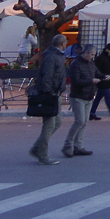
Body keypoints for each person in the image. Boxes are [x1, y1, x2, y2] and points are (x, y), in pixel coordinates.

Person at [29, 34, 68, 165]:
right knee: (50, 124)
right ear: (62, 43)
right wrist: (49, 93)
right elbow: (47, 76)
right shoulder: (52, 57)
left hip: (55, 93)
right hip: (51, 94)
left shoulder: (56, 56)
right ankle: (43, 154)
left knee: (57, 122)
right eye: (66, 42)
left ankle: (37, 148)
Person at [63, 44, 101, 158]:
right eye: (92, 55)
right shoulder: (76, 64)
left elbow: (96, 72)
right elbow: (76, 81)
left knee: (84, 122)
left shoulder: (91, 63)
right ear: (85, 53)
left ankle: (78, 146)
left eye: (94, 55)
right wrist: (91, 81)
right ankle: (67, 145)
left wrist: (104, 77)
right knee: (79, 121)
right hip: (78, 96)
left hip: (89, 95)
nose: (93, 57)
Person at [90, 43, 110, 121]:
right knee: (107, 96)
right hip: (102, 80)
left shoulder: (109, 57)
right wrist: (100, 77)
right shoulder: (100, 58)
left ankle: (91, 113)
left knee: (98, 97)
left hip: (107, 79)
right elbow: (96, 69)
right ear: (106, 50)